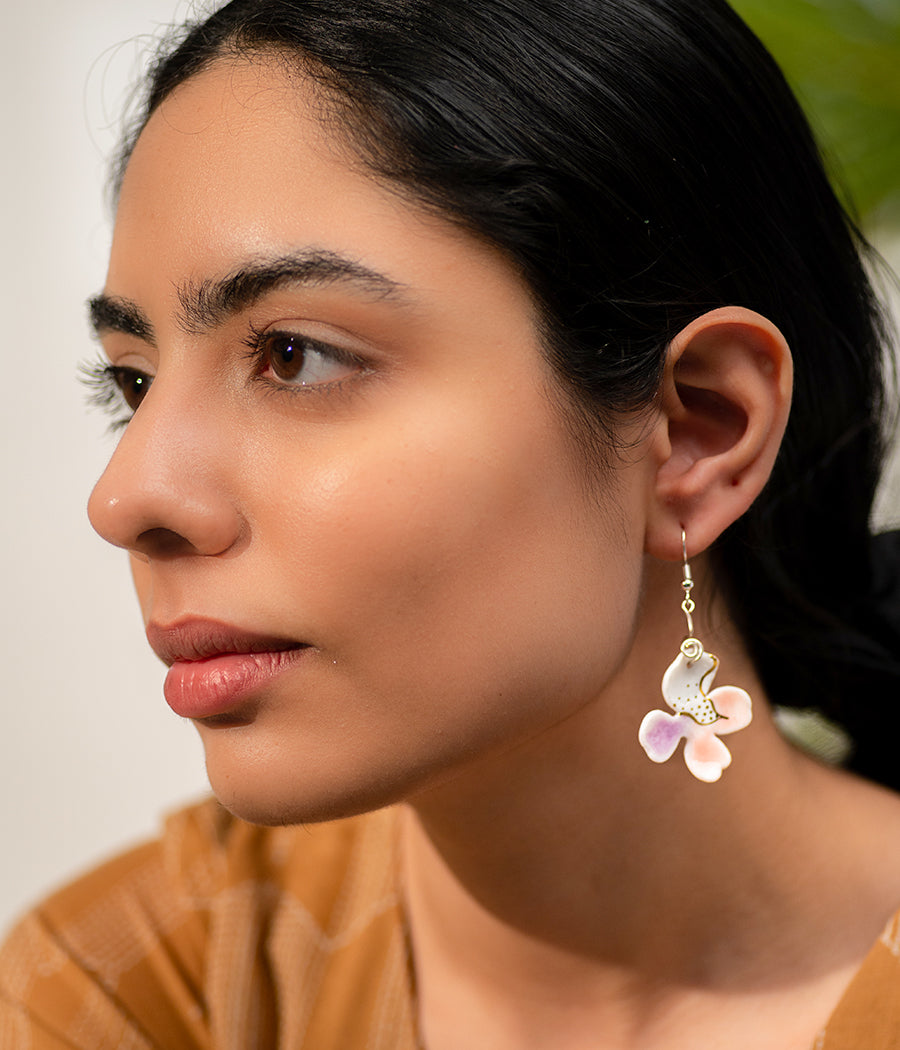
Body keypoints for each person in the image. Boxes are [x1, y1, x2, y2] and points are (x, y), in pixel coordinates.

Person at [2, 0, 900, 1046]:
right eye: (135, 380)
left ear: (699, 431)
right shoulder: (150, 994)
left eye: (294, 354)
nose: (127, 498)